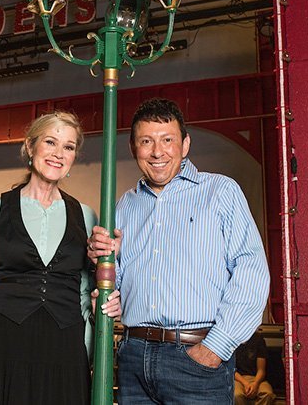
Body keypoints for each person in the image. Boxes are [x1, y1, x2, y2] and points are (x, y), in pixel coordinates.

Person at [88, 98, 270, 404]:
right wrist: (103, 267)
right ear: (134, 148)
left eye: (167, 140)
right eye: (147, 141)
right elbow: (119, 283)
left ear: (185, 145)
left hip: (196, 357)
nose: (158, 152)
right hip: (133, 357)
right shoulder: (125, 205)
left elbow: (252, 269)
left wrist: (216, 348)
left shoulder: (220, 192)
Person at [0, 111, 122, 405]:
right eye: (50, 142)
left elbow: (84, 293)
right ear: (30, 147)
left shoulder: (87, 214)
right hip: (2, 348)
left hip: (64, 355)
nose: (58, 154)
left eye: (68, 147)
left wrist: (94, 336)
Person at [234, 331, 276, 405]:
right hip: (238, 379)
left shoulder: (258, 339)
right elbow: (231, 370)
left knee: (268, 394)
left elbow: (261, 370)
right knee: (236, 395)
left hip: (257, 378)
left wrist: (255, 383)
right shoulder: (231, 339)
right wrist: (245, 383)